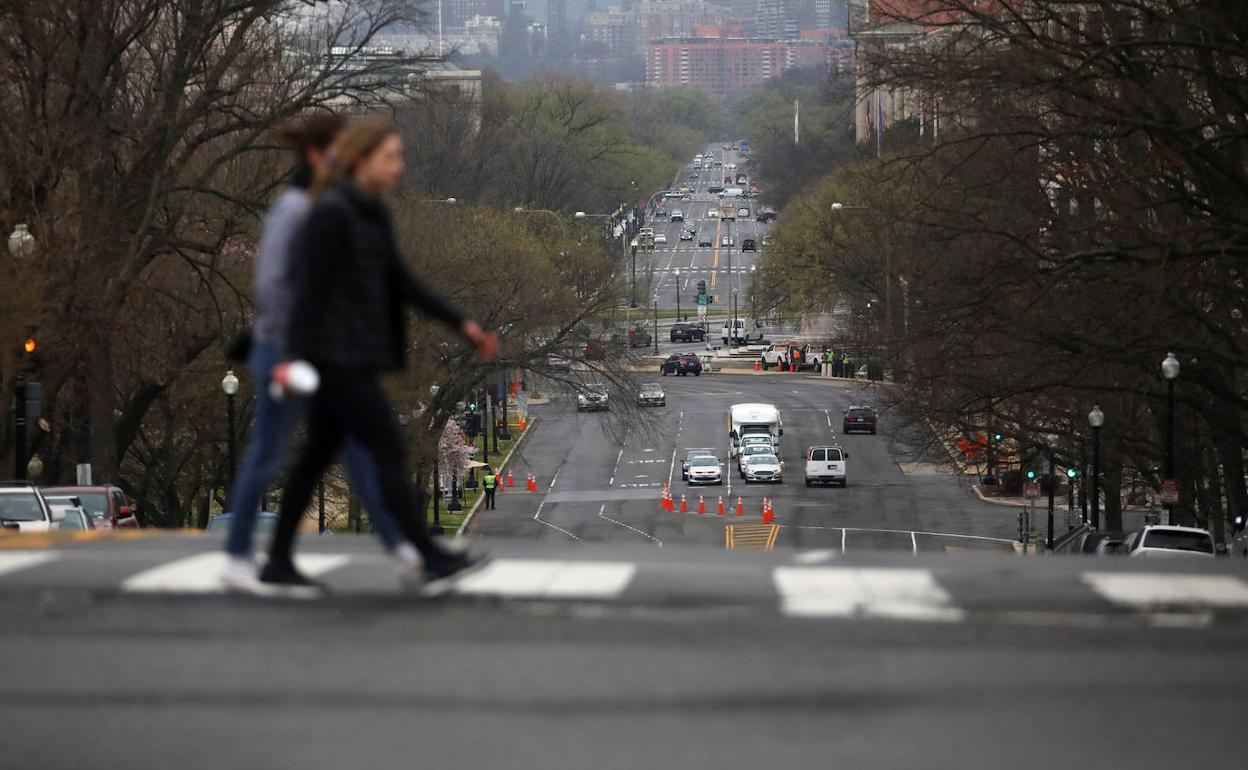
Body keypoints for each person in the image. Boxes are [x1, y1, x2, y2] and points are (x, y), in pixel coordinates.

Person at [262, 117, 497, 592]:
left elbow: (401, 281)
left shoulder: (373, 213)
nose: (398, 167)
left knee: (314, 457)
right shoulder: (329, 213)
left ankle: (277, 560)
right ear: (360, 160)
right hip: (334, 358)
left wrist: (462, 324)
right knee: (389, 451)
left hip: (356, 356)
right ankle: (429, 555)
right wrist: (289, 355)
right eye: (390, 157)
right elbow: (303, 291)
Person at [219, 114, 409, 594]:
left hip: (317, 354)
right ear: (315, 155)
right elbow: (274, 285)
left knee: (356, 450)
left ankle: (402, 546)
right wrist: (287, 351)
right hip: (286, 352)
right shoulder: (295, 207)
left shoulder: (327, 205)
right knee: (269, 454)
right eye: (338, 151)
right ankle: (239, 554)